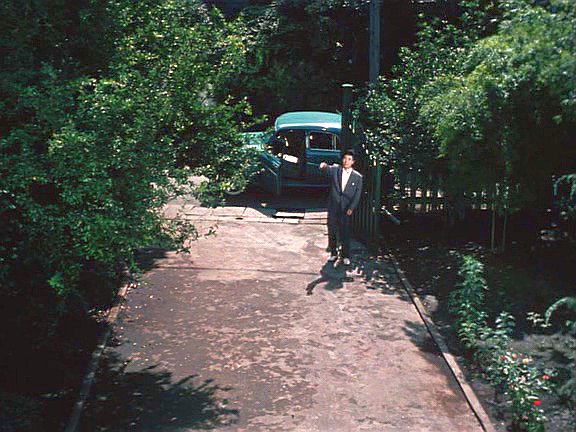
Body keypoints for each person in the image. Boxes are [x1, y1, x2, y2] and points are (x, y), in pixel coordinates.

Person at [319, 150, 363, 265]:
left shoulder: (357, 177)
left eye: (349, 159)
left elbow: (357, 194)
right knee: (332, 230)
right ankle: (333, 253)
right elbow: (326, 168)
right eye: (344, 158)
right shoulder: (336, 170)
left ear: (353, 162)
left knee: (345, 231)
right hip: (334, 206)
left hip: (346, 208)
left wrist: (352, 207)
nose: (346, 161)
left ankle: (345, 255)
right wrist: (323, 166)